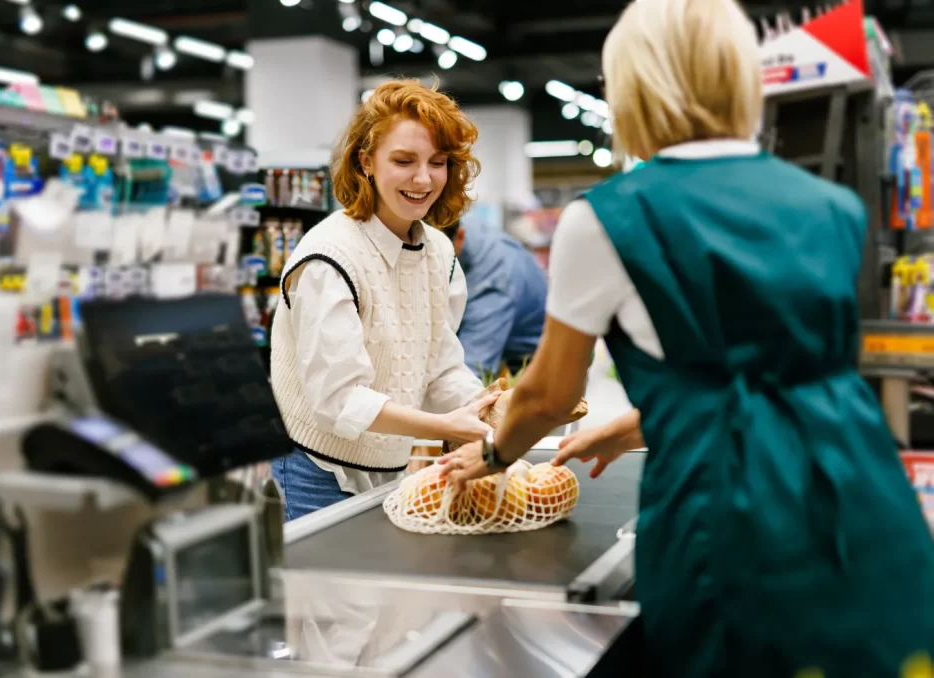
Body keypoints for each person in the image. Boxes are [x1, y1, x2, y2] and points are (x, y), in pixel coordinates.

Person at [438, 0, 934, 675]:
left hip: (726, 521)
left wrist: (494, 454)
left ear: (637, 88)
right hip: (862, 503)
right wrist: (635, 427)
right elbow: (790, 382)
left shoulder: (607, 218)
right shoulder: (836, 209)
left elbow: (551, 396)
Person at [270, 80, 494, 522]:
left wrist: (486, 408)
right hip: (311, 471)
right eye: (404, 161)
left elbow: (440, 369)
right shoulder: (328, 257)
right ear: (366, 161)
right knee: (323, 591)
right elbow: (340, 402)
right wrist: (447, 427)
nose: (423, 178)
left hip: (388, 468)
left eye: (438, 162)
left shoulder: (439, 252)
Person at [442, 221, 547, 378]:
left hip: (536, 364)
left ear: (459, 238)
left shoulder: (492, 281)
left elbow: (469, 372)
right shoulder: (446, 226)